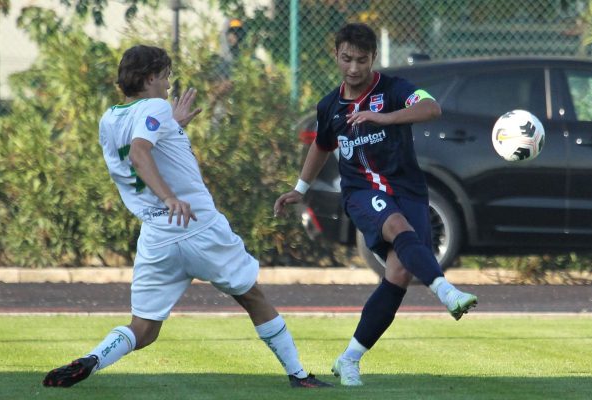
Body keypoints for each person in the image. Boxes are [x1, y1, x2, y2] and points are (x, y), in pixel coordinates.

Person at [42, 45, 331, 389]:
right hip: (197, 225)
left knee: (143, 329)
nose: (167, 85)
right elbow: (139, 152)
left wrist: (172, 126)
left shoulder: (110, 119)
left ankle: (93, 359)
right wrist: (170, 197)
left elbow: (141, 148)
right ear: (150, 78)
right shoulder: (155, 106)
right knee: (252, 296)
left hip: (156, 235)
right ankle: (299, 375)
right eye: (164, 77)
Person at [274, 23, 478, 386]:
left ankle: (349, 358)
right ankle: (446, 292)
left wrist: (385, 117)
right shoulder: (330, 106)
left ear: (373, 59)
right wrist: (301, 188)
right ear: (336, 55)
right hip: (361, 194)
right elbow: (322, 145)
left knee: (398, 275)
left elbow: (431, 108)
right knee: (398, 227)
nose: (353, 68)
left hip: (408, 190)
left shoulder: (395, 89)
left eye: (362, 60)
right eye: (347, 59)